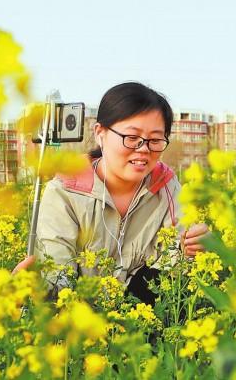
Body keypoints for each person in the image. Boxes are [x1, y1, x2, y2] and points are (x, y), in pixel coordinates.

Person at [19, 82, 208, 303]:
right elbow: (59, 282)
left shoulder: (167, 186)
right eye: (131, 137)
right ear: (101, 134)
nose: (144, 148)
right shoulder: (64, 193)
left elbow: (174, 272)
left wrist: (197, 248)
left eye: (155, 140)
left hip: (144, 328)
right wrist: (37, 287)